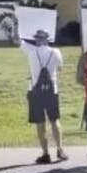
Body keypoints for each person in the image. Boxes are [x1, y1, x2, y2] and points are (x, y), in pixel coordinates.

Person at [20, 29, 67, 164]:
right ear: (47, 39)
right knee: (54, 120)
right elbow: (60, 68)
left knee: (40, 123)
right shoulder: (56, 52)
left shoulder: (31, 53)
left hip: (35, 91)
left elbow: (18, 41)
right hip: (52, 91)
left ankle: (45, 153)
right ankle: (60, 149)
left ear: (37, 40)